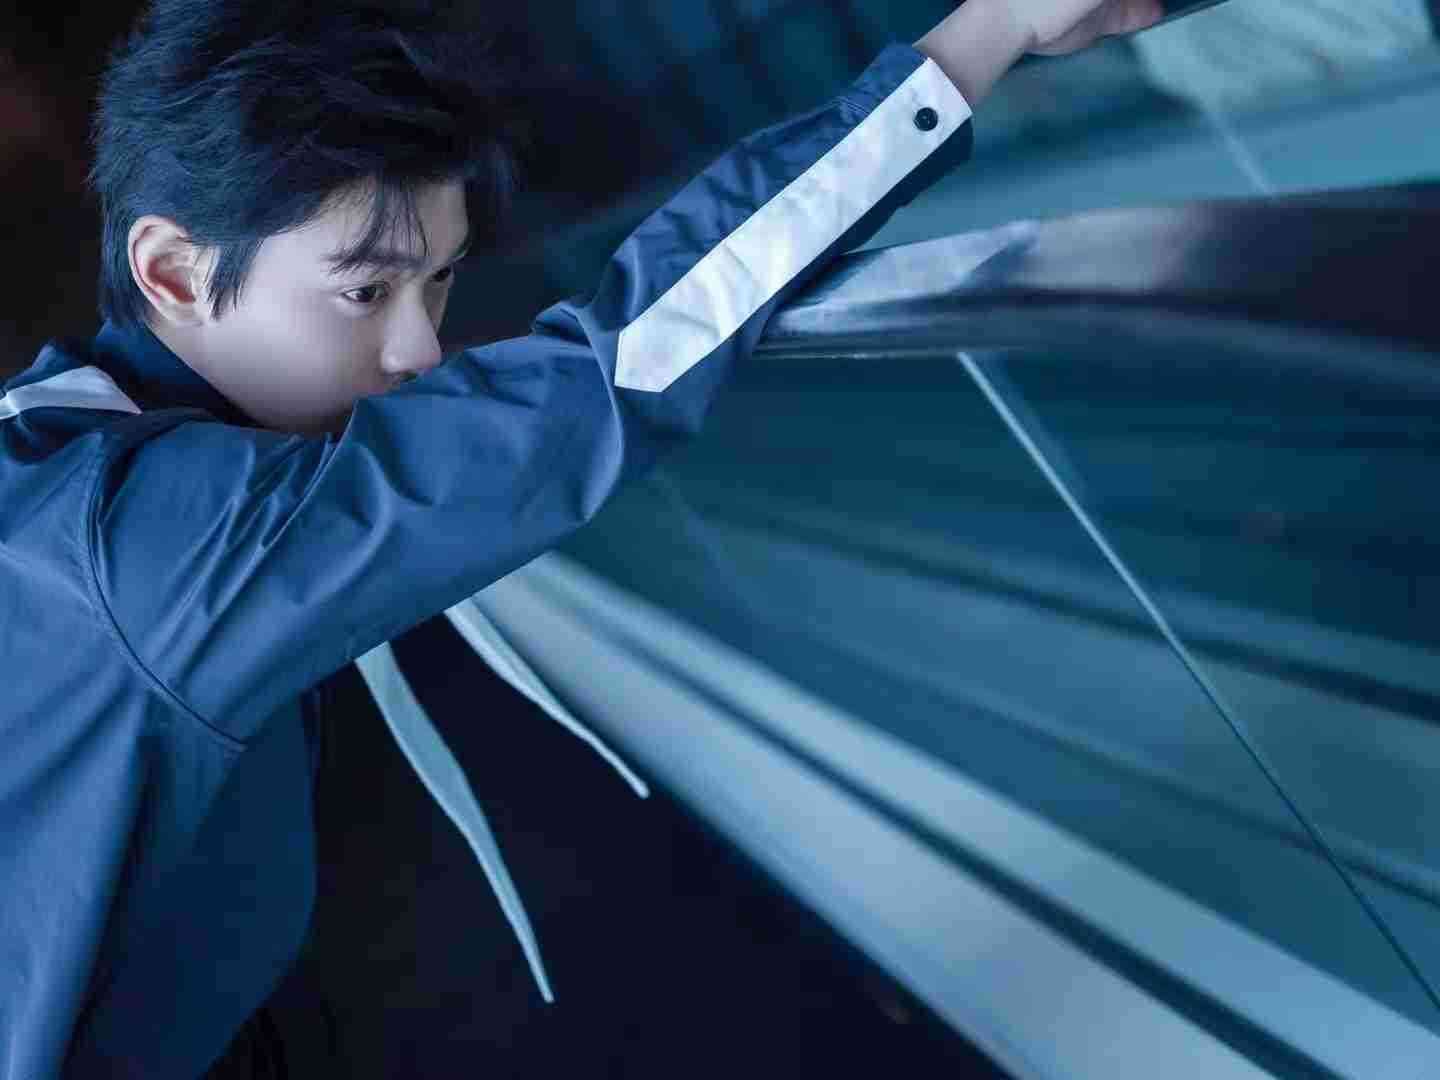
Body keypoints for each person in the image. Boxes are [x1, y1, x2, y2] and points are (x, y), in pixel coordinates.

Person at [0, 0, 1164, 1075]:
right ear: (172, 271)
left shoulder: (59, 455)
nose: (419, 350)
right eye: (365, 291)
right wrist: (981, 37)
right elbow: (617, 369)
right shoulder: (152, 551)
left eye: (437, 281)